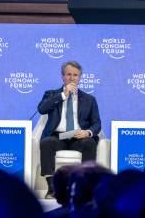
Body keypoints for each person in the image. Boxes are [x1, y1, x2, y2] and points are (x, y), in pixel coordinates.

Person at [38, 61, 101, 197]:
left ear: (80, 77)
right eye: (68, 74)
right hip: (58, 136)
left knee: (90, 143)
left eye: (75, 75)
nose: (72, 78)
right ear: (63, 76)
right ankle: (52, 188)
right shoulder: (51, 94)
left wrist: (87, 132)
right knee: (46, 142)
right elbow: (42, 109)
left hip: (78, 137)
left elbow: (96, 123)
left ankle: (85, 186)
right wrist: (63, 95)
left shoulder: (89, 99)